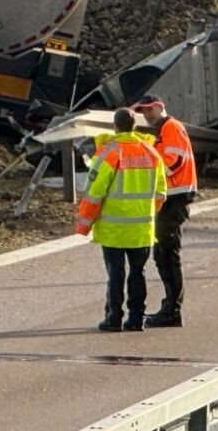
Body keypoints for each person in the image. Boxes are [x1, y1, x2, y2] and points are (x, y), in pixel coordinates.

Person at [75, 107, 166, 332]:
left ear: (115, 126)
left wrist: (84, 224)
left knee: (115, 273)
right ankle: (137, 319)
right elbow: (161, 193)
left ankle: (113, 317)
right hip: (142, 228)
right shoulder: (152, 153)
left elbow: (94, 193)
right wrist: (146, 214)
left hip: (113, 228)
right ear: (135, 126)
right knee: (138, 273)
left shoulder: (109, 153)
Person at [132, 94, 197, 329]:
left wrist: (150, 176)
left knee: (168, 254)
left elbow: (173, 161)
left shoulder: (170, 127)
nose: (147, 115)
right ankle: (170, 308)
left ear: (160, 107)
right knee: (163, 254)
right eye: (144, 112)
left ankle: (172, 310)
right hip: (170, 197)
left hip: (174, 197)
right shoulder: (163, 130)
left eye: (149, 110)